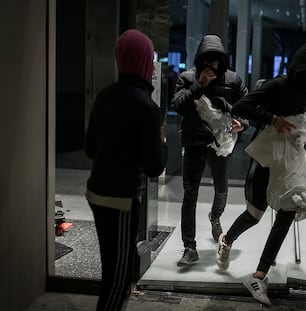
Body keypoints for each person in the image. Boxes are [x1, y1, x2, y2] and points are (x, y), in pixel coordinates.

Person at [215, 43, 306, 305]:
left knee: (288, 211)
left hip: (292, 156)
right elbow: (240, 107)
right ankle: (227, 239)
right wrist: (272, 119)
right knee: (254, 215)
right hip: (266, 157)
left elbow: (297, 117)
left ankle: (259, 275)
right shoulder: (277, 86)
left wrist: (302, 128)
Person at [84, 29, 168, 311]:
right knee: (118, 279)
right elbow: (156, 166)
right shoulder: (147, 107)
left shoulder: (106, 95)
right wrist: (161, 142)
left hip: (96, 192)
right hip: (120, 199)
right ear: (146, 62)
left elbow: (89, 148)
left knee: (115, 265)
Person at [173, 34, 248, 266]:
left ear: (222, 61)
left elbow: (248, 104)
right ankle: (189, 247)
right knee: (189, 195)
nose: (212, 66)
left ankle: (215, 217)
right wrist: (198, 85)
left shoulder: (233, 79)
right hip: (194, 143)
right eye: (207, 60)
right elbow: (179, 107)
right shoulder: (187, 77)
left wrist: (242, 122)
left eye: (216, 61)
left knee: (221, 190)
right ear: (200, 60)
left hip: (221, 144)